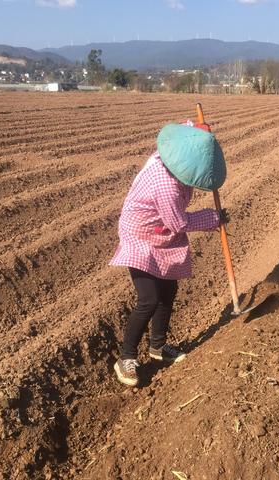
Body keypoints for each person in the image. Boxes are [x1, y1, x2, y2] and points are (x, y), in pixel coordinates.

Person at [109, 123, 227, 387]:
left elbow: (187, 131)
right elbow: (179, 223)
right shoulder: (166, 185)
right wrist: (213, 217)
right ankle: (126, 357)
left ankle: (158, 347)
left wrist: (199, 132)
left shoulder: (173, 156)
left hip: (161, 235)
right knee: (148, 299)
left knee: (168, 292)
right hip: (141, 236)